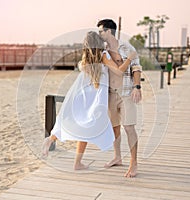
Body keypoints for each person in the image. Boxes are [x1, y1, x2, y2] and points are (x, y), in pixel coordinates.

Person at [42, 31, 137, 170]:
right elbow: (118, 71)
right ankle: (80, 159)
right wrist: (129, 59)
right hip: (95, 95)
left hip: (81, 92)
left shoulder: (86, 57)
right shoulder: (103, 55)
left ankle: (56, 144)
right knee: (89, 124)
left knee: (82, 124)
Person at [97, 19, 142, 177]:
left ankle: (133, 163)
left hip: (126, 93)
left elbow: (136, 67)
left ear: (109, 31)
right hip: (109, 94)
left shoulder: (127, 47)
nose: (99, 34)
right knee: (114, 128)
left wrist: (137, 87)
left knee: (129, 127)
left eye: (101, 31)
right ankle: (117, 157)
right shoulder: (102, 50)